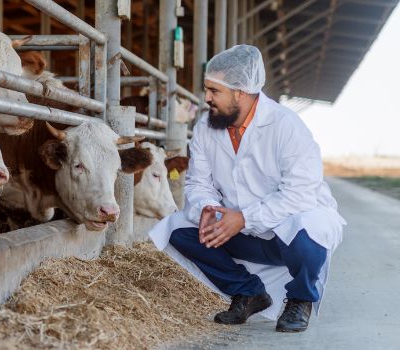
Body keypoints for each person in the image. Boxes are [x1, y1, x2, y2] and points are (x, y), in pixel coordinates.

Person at [148, 45, 346, 333]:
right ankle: (248, 291)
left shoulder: (286, 126)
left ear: (240, 91)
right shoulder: (206, 126)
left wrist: (243, 218)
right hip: (240, 232)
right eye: (207, 90)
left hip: (286, 232)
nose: (206, 98)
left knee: (312, 225)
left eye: (215, 91)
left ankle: (300, 299)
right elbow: (198, 182)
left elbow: (300, 194)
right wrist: (207, 207)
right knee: (177, 228)